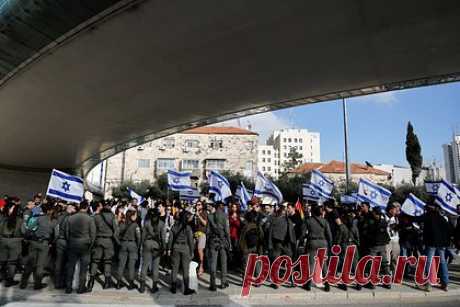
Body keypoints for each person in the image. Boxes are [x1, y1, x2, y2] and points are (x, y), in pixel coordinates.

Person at [20, 202, 55, 290]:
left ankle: (23, 283)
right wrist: (51, 242)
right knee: (40, 265)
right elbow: (56, 234)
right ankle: (37, 284)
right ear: (50, 211)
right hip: (45, 244)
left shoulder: (38, 218)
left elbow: (29, 228)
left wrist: (29, 237)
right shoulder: (53, 221)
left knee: (30, 264)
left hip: (34, 242)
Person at [64, 201, 96, 293]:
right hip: (85, 245)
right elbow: (93, 234)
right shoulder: (90, 219)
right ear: (86, 207)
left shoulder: (70, 218)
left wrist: (70, 241)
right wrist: (91, 244)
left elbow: (67, 232)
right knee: (83, 268)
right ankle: (81, 287)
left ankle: (68, 287)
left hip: (73, 243)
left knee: (71, 267)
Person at [420, 200, 452, 291]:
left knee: (429, 262)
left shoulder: (428, 216)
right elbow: (449, 230)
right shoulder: (442, 218)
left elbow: (417, 219)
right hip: (441, 244)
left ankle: (428, 284)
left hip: (431, 243)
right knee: (442, 262)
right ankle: (445, 284)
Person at [89, 201, 119, 291]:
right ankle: (106, 282)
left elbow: (93, 231)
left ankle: (91, 281)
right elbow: (116, 230)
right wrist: (116, 240)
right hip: (108, 241)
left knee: (95, 261)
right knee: (107, 261)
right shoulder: (112, 217)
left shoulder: (96, 217)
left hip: (98, 240)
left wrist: (93, 242)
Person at [303, 203, 332, 292]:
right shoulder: (325, 221)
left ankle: (308, 284)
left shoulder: (308, 220)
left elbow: (303, 233)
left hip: (312, 242)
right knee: (324, 264)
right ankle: (327, 284)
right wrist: (330, 245)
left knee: (311, 263)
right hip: (323, 243)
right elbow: (329, 235)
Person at [268, 202, 296, 289]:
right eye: (284, 209)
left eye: (285, 209)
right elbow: (270, 233)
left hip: (283, 244)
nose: (285, 211)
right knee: (283, 263)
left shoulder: (286, 220)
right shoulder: (278, 220)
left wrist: (270, 245)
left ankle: (289, 281)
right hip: (281, 244)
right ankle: (285, 282)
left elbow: (292, 234)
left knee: (284, 263)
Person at [167, 210, 195, 295]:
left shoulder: (174, 226)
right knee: (185, 269)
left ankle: (173, 287)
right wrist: (192, 251)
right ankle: (186, 289)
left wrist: (169, 249)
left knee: (174, 268)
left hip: (175, 247)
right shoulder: (188, 228)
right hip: (185, 248)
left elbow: (170, 239)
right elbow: (191, 241)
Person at [140, 208, 165, 293]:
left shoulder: (146, 223)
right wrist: (164, 247)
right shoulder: (162, 223)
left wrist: (142, 244)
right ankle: (154, 287)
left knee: (145, 265)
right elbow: (163, 237)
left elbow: (143, 235)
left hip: (147, 244)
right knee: (155, 267)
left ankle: (142, 287)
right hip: (156, 245)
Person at [207, 202, 231, 291]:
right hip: (223, 241)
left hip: (213, 241)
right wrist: (229, 243)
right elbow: (227, 231)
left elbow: (207, 232)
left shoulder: (210, 216)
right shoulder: (225, 216)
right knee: (223, 263)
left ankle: (212, 284)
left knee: (213, 263)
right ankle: (223, 283)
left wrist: (208, 244)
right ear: (222, 207)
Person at [116, 208, 140, 290]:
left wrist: (119, 243)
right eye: (135, 215)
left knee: (121, 264)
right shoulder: (135, 225)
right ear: (132, 216)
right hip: (132, 244)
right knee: (131, 265)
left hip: (123, 244)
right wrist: (138, 246)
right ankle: (131, 283)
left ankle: (118, 283)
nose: (136, 216)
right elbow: (138, 237)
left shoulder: (122, 224)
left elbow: (116, 235)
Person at [0, 201, 23, 287]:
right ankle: (9, 280)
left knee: (2, 261)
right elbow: (23, 231)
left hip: (3, 240)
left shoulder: (4, 219)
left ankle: (3, 277)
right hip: (15, 242)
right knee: (12, 263)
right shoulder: (20, 220)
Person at [54, 203, 76, 289]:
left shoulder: (59, 216)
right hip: (66, 241)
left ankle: (57, 282)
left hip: (59, 240)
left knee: (59, 262)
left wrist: (55, 240)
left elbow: (56, 228)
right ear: (70, 208)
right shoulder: (70, 218)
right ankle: (65, 282)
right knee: (67, 263)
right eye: (73, 208)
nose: (75, 209)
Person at [239, 210, 264, 281]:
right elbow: (262, 237)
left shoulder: (246, 227)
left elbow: (242, 239)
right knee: (257, 263)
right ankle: (258, 281)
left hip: (247, 248)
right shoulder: (258, 226)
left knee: (245, 265)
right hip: (255, 248)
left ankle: (246, 281)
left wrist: (242, 248)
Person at [192, 201, 208, 276]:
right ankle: (196, 266)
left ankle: (201, 267)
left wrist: (199, 216)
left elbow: (205, 223)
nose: (197, 206)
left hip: (202, 234)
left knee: (200, 250)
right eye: (196, 205)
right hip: (195, 234)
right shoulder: (195, 213)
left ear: (202, 206)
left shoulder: (204, 213)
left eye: (199, 205)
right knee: (194, 251)